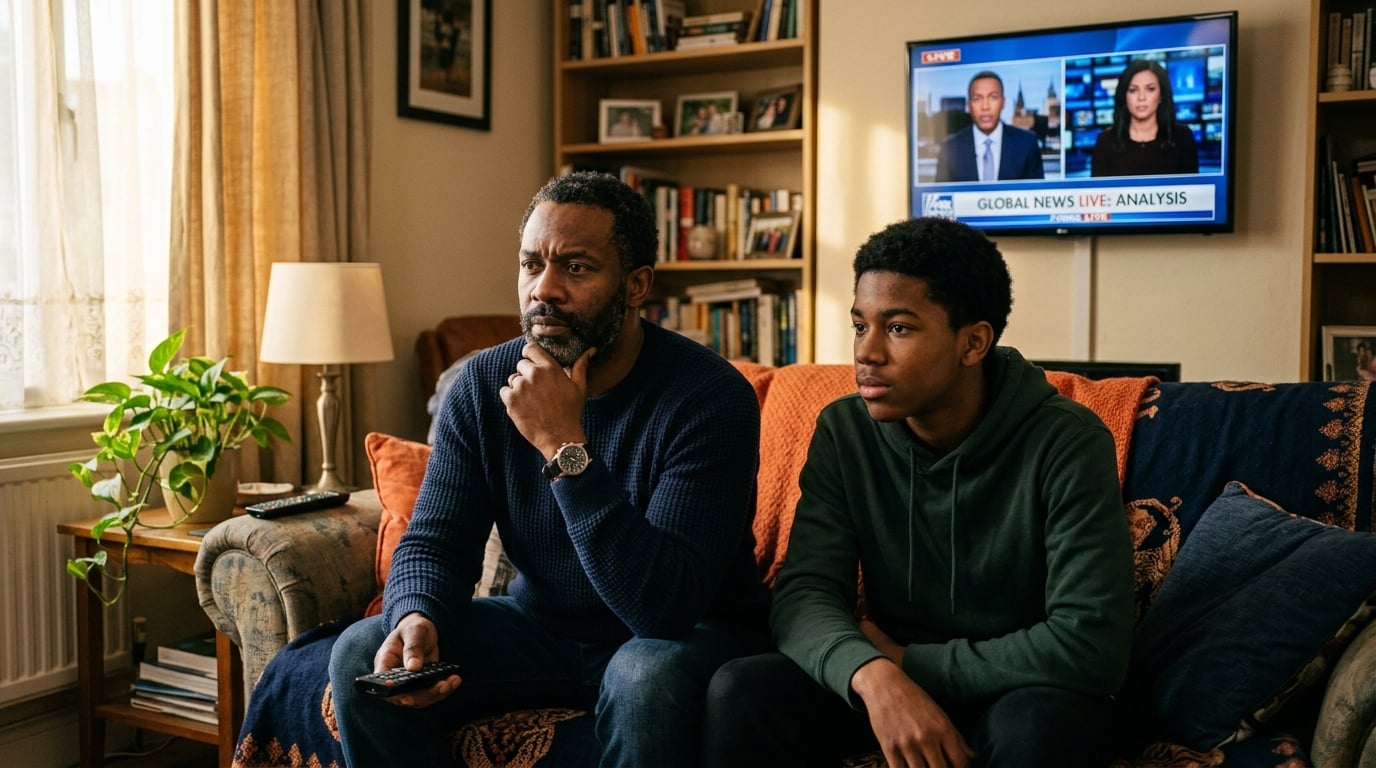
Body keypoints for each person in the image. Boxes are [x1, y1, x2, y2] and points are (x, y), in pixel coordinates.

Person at [328, 171, 770, 768]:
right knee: (361, 650)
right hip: (539, 628)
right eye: (531, 264)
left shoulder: (710, 398)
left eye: (577, 268)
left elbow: (663, 606)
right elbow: (435, 542)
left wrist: (563, 443)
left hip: (682, 635)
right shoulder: (481, 385)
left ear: (636, 285)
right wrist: (417, 613)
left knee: (644, 679)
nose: (545, 290)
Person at [703, 216, 1134, 768]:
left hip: (1025, 684)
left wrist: (908, 663)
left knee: (1034, 727)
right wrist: (873, 675)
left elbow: (1090, 645)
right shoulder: (844, 430)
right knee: (742, 689)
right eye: (861, 326)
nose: (867, 352)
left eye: (899, 328)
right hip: (887, 669)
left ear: (973, 342)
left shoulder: (1068, 442)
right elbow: (805, 594)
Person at [1091, 59, 1199, 177]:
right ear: (1124, 96)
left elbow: (1192, 192)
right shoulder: (1106, 141)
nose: (1141, 97)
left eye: (1150, 89)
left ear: (1161, 95)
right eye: (1133, 90)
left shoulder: (1182, 137)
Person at [935, 71, 1045, 182]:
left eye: (993, 97)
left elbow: (1036, 195)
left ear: (1003, 103)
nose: (985, 106)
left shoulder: (1027, 143)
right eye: (977, 99)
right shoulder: (949, 149)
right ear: (969, 106)